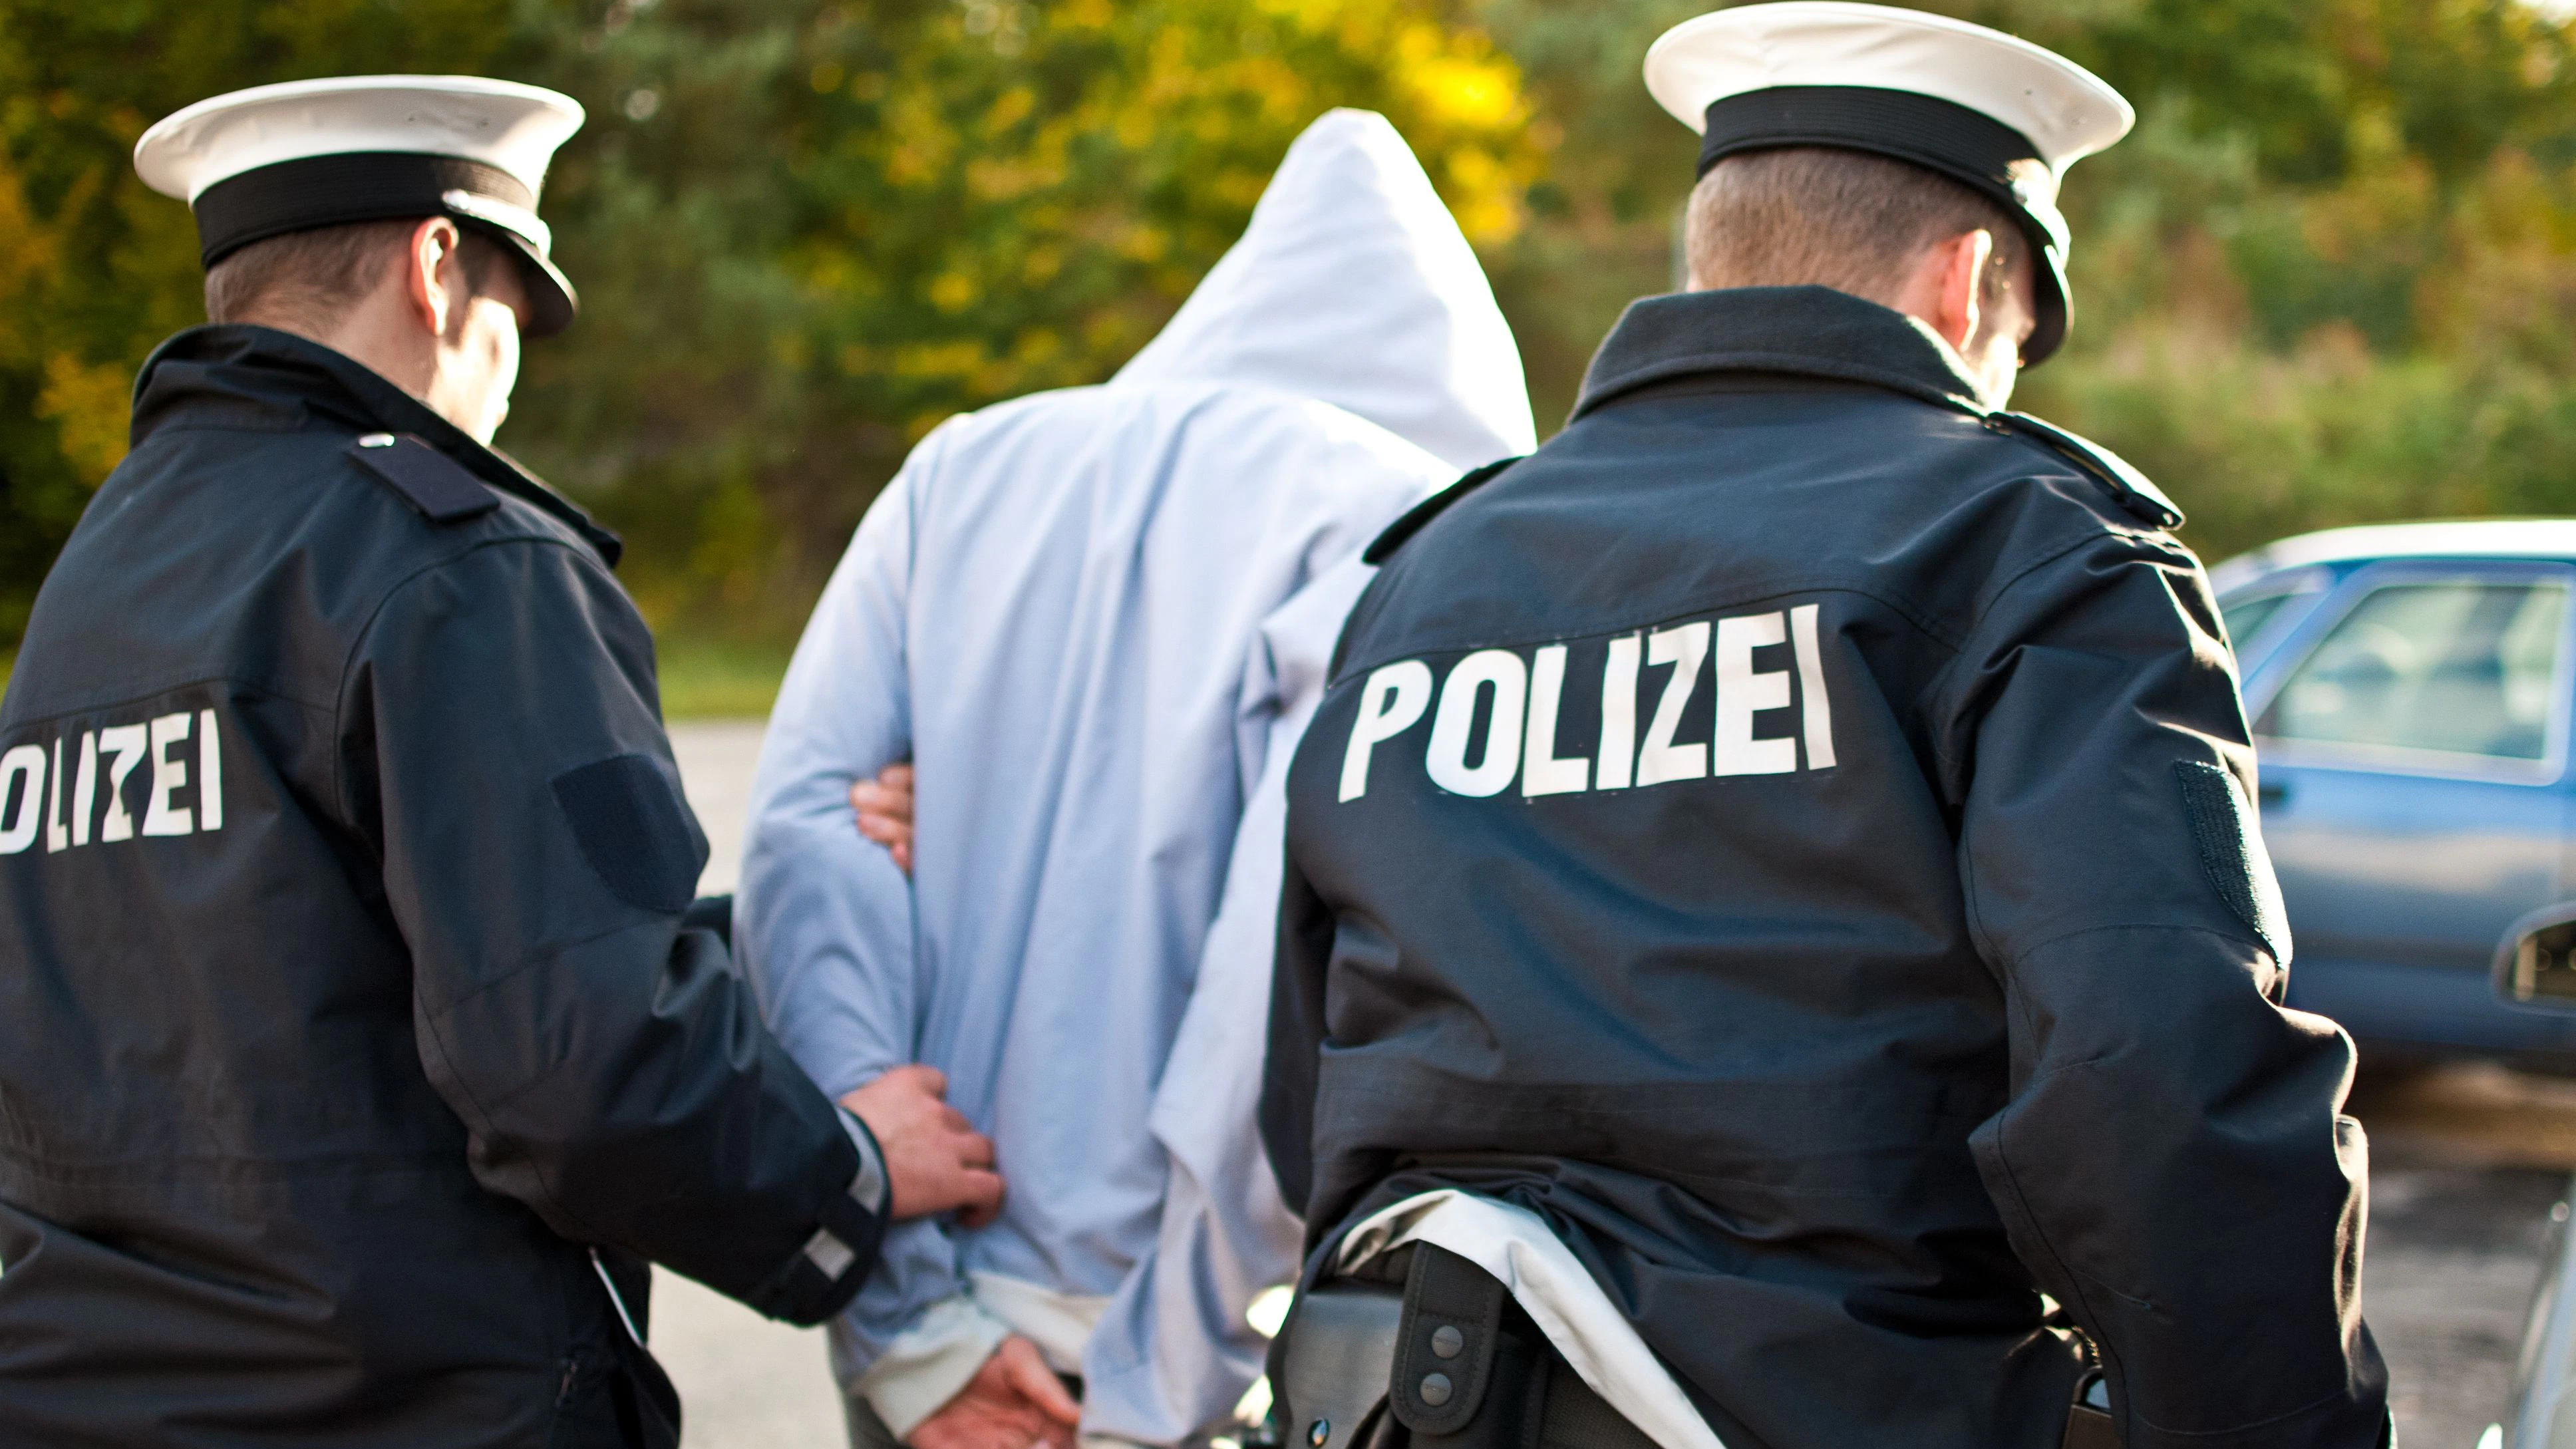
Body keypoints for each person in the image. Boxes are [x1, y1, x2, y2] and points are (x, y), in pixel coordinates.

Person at [1259, 7, 2392, 1449]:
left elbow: (1306, 1068)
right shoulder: (2029, 544)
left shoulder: (1425, 574)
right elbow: (2154, 1075)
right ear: (1969, 275)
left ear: (1712, 252)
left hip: (1403, 1399)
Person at [0, 76, 1000, 1448]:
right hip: (394, 1406)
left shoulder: (99, 585)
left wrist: (766, 929)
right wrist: (848, 1171)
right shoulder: (453, 568)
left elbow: (270, 977)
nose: (510, 374)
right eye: (515, 317)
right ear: (435, 267)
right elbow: (575, 1068)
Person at [739, 109, 1535, 1449]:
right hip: (1188, 1364)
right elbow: (1264, 1012)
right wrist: (1156, 1392)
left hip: (926, 1334)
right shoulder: (1408, 528)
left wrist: (907, 1332)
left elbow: (810, 850)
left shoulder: (962, 470)